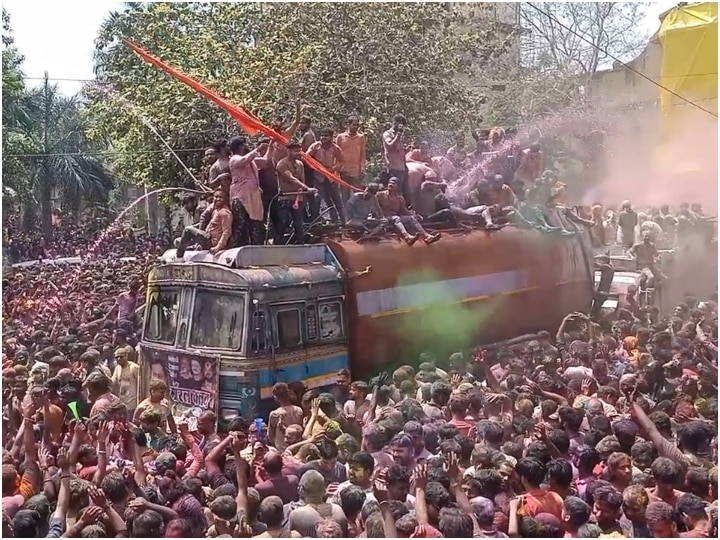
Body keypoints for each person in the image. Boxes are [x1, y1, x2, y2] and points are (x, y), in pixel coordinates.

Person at [228, 137, 270, 246]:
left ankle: (256, 249)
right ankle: (233, 248)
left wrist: (271, 146)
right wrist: (258, 149)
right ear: (240, 147)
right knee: (241, 225)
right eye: (245, 144)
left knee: (256, 224)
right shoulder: (234, 159)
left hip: (253, 196)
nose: (247, 146)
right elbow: (244, 160)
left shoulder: (251, 161)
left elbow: (265, 161)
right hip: (240, 197)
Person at [376, 178, 441, 245]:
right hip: (384, 218)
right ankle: (407, 237)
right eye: (390, 182)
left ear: (397, 186)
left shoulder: (399, 198)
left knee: (411, 218)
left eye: (393, 183)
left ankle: (427, 236)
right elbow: (375, 207)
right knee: (396, 218)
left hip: (395, 218)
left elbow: (404, 210)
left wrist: (413, 215)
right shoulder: (380, 195)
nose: (391, 184)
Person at [275, 143, 317, 245]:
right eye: (296, 151)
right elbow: (290, 178)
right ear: (288, 151)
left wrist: (304, 193)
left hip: (298, 199)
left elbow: (302, 180)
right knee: (282, 224)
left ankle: (300, 245)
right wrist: (306, 188)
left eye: (300, 151)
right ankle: (278, 246)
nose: (299, 153)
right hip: (285, 198)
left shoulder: (300, 164)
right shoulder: (282, 164)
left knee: (299, 225)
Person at [176, 189, 233, 257]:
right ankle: (192, 248)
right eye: (216, 197)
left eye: (220, 197)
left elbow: (226, 232)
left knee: (187, 230)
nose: (218, 199)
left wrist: (218, 247)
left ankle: (179, 256)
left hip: (212, 242)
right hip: (207, 236)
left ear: (225, 199)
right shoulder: (216, 211)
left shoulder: (225, 213)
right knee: (178, 241)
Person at [307, 129, 345, 223]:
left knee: (336, 199)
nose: (323, 137)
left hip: (331, 176)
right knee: (320, 198)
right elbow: (306, 156)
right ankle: (318, 221)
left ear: (331, 137)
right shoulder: (315, 146)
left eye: (326, 135)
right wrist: (315, 165)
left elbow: (341, 161)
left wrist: (333, 168)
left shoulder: (336, 148)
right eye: (322, 135)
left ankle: (342, 220)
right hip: (318, 177)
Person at [335, 117, 367, 203]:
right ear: (349, 125)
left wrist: (362, 168)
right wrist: (336, 169)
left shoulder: (361, 137)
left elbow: (362, 154)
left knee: (358, 194)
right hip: (343, 170)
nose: (355, 127)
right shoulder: (340, 137)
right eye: (354, 125)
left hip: (356, 171)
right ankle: (346, 215)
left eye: (357, 125)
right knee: (344, 195)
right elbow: (336, 153)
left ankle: (359, 213)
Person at [382, 114, 409, 197]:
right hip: (393, 168)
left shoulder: (400, 135)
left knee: (401, 192)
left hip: (401, 167)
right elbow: (390, 147)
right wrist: (398, 135)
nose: (401, 127)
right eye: (399, 124)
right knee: (393, 191)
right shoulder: (387, 134)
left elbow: (399, 150)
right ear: (394, 123)